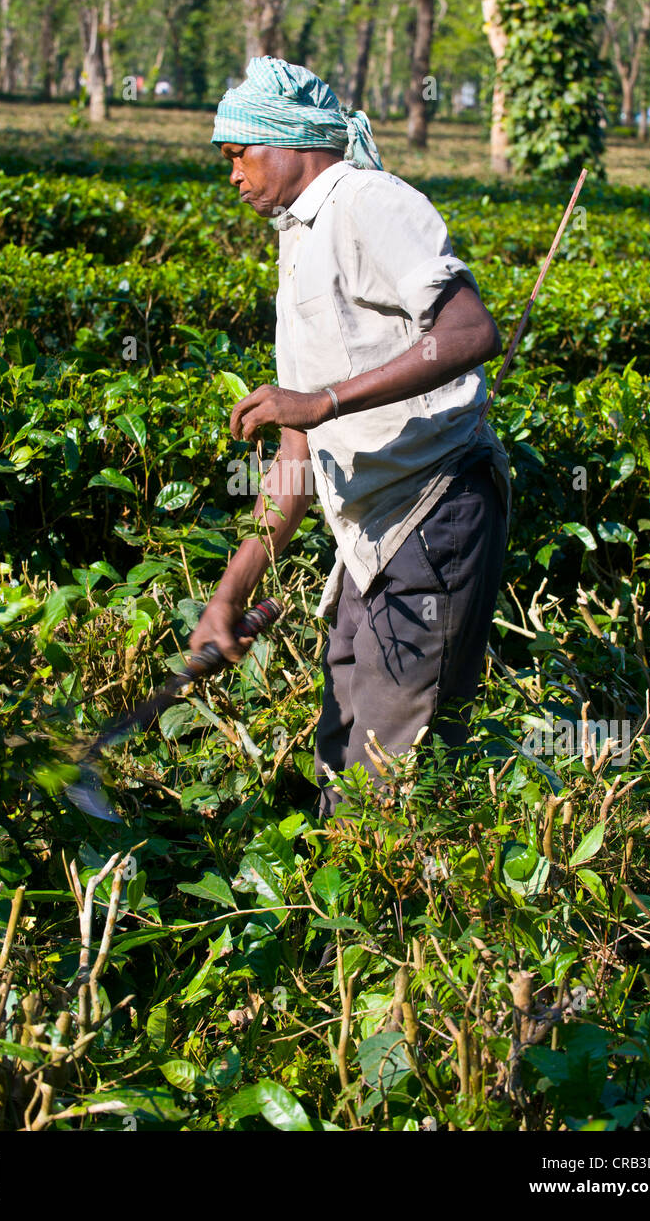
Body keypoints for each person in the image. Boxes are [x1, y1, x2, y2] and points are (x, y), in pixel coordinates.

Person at [188, 55, 511, 819]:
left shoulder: (368, 200)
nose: (230, 175)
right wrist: (231, 593)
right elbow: (296, 452)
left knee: (392, 768)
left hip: (432, 511)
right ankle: (345, 917)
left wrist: (324, 399)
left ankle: (391, 929)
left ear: (288, 143)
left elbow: (470, 330)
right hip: (366, 536)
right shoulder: (297, 237)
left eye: (237, 155)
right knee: (345, 741)